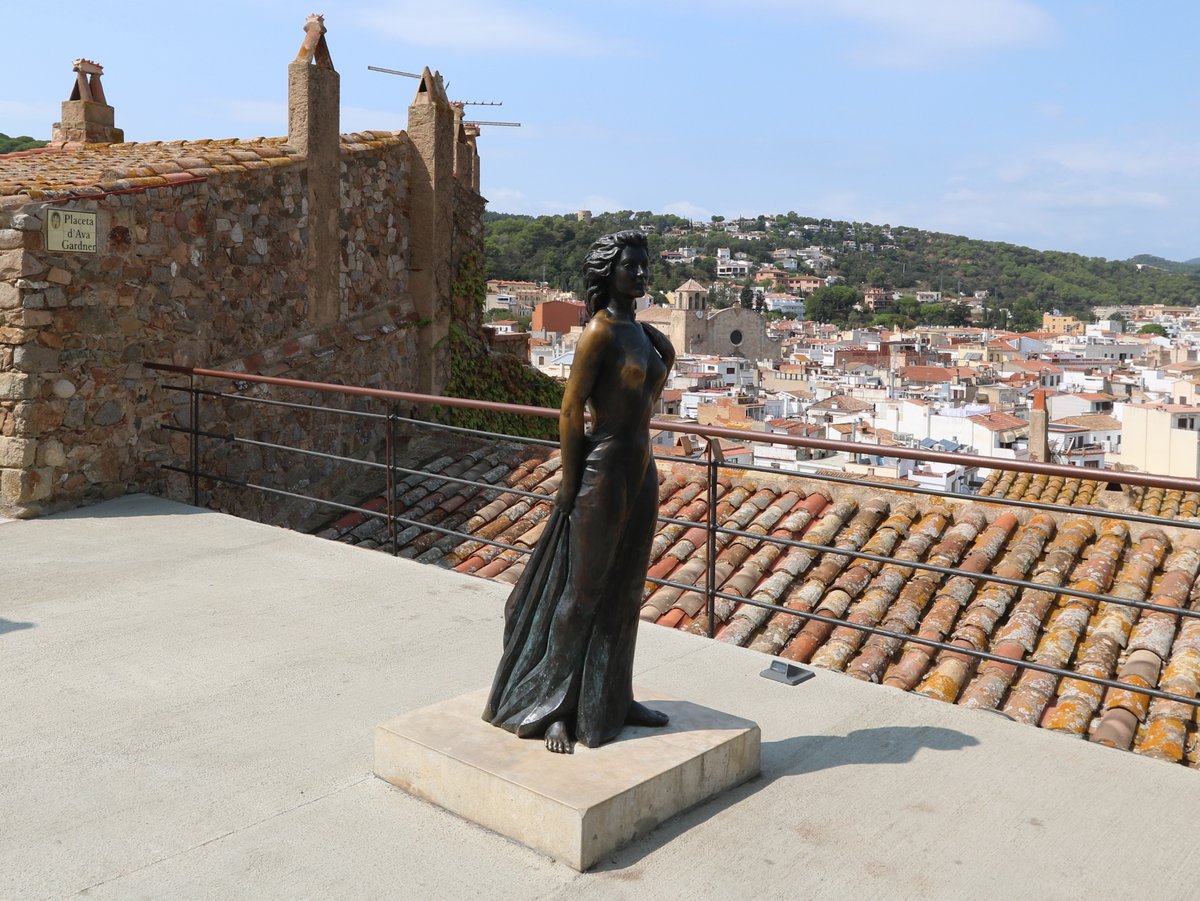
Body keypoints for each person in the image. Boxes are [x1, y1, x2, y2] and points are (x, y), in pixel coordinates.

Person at [483, 230, 676, 753]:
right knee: (582, 592)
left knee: (627, 587)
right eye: (629, 266)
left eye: (643, 265)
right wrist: (569, 484)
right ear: (607, 273)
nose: (639, 273)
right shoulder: (600, 332)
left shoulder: (642, 332)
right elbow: (571, 411)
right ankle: (554, 706)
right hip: (604, 468)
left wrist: (669, 357)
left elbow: (646, 399)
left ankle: (612, 696)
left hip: (641, 466)